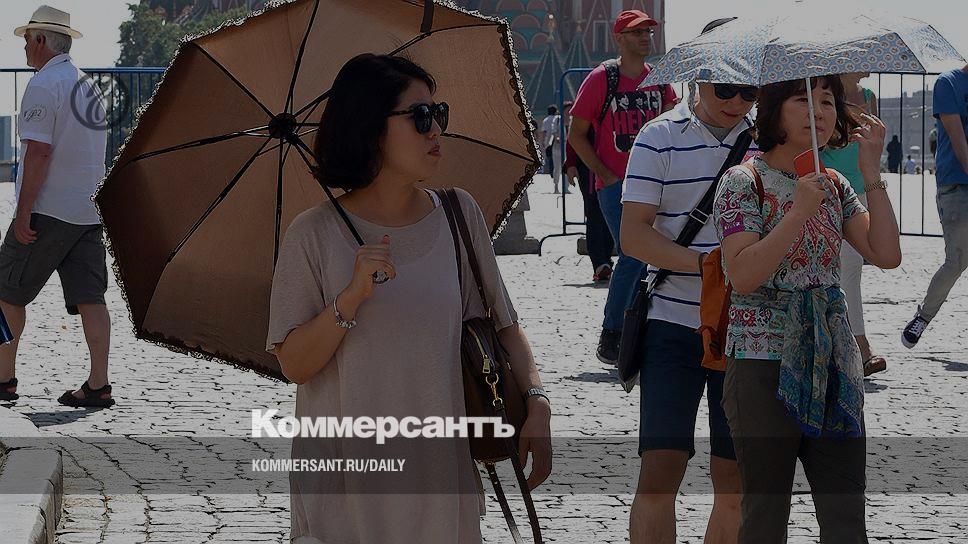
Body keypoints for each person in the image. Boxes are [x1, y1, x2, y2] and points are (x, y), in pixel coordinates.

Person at [266, 54, 552, 543]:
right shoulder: (312, 235)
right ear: (372, 128)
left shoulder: (459, 216)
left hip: (440, 484)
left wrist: (537, 402)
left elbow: (504, 326)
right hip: (346, 494)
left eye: (438, 113)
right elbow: (294, 364)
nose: (435, 129)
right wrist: (350, 298)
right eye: (420, 117)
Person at [714, 76, 901, 543]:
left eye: (827, 101)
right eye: (803, 100)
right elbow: (743, 275)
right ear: (774, 110)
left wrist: (871, 170)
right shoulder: (743, 181)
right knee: (765, 516)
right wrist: (797, 212)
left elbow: (886, 253)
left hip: (832, 360)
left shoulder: (834, 185)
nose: (818, 111)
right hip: (762, 363)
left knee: (845, 516)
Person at [620, 18, 756, 544]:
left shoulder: (768, 144)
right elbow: (634, 235)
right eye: (725, 87)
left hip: (746, 330)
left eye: (749, 89)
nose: (737, 101)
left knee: (735, 482)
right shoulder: (659, 136)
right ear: (699, 73)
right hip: (672, 324)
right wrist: (705, 268)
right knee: (660, 472)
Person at [0, 6, 113, 407]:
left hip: (48, 209)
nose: (23, 47)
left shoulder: (44, 85)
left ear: (41, 40)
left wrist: (22, 211)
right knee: (91, 297)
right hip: (88, 209)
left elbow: (39, 153)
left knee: (6, 291)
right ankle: (98, 384)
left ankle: (3, 379)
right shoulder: (88, 85)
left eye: (26, 39)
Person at [568, 9, 677, 364]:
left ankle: (638, 330)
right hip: (616, 187)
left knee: (652, 258)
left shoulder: (659, 79)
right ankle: (612, 332)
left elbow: (674, 124)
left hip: (656, 184)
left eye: (648, 32)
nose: (645, 37)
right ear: (619, 37)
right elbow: (576, 134)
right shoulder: (603, 78)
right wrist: (605, 173)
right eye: (636, 32)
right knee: (634, 253)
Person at [819, 73, 886, 376]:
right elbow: (821, 141)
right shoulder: (823, 93)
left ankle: (846, 342)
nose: (870, 63)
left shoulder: (869, 95)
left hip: (861, 188)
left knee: (851, 266)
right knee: (849, 266)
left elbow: (872, 145)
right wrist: (843, 118)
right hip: (831, 187)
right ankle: (859, 344)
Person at [903, 64, 968, 348]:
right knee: (957, 260)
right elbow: (958, 141)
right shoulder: (948, 83)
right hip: (957, 184)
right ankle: (924, 316)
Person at [564, 101, 614, 283]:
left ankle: (607, 258)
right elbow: (574, 137)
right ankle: (600, 263)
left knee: (612, 213)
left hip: (614, 166)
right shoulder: (589, 102)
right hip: (588, 168)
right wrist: (570, 164)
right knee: (594, 214)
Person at [539, 105, 558, 178]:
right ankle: (556, 172)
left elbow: (544, 132)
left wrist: (542, 142)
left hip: (548, 142)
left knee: (550, 158)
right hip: (557, 141)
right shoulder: (557, 119)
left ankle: (552, 172)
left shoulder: (546, 120)